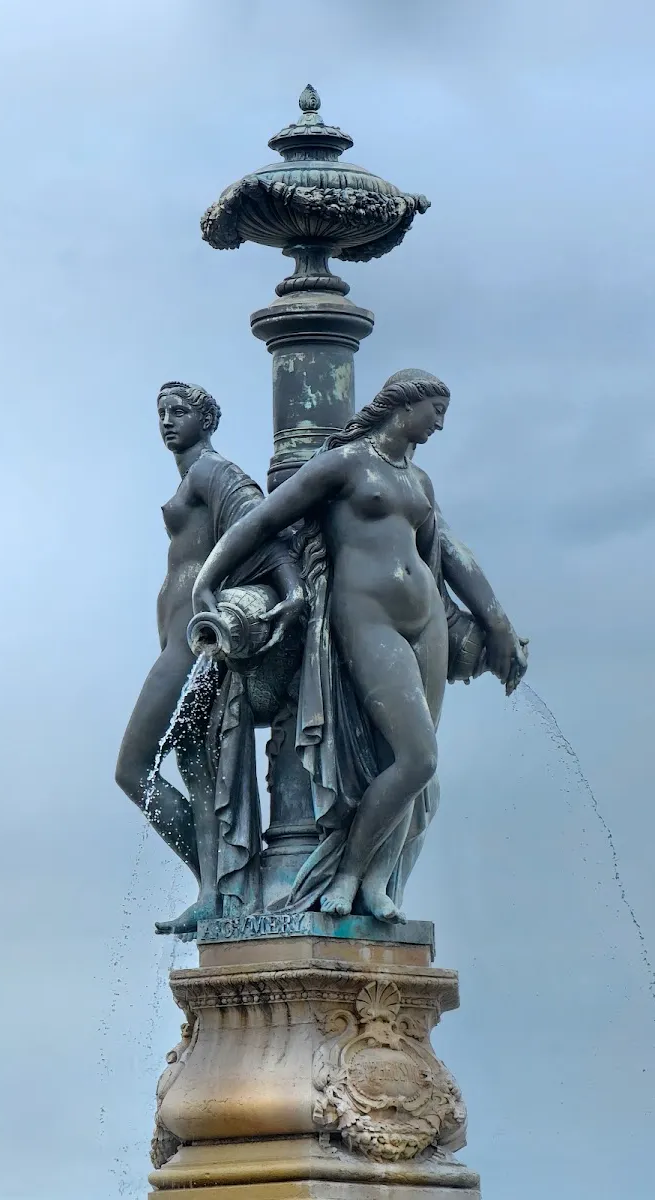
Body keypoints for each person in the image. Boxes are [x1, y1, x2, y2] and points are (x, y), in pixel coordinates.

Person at [193, 368, 528, 922]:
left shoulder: (420, 482)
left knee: (411, 766)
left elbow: (441, 559)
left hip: (426, 625)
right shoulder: (344, 465)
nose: (441, 422)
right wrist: (209, 577)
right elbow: (265, 520)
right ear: (405, 404)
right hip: (366, 618)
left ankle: (376, 882)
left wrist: (497, 624)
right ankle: (347, 872)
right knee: (416, 758)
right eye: (435, 409)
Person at [115, 381, 303, 935]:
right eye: (162, 413)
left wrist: (292, 587)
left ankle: (222, 882)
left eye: (180, 411)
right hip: (181, 641)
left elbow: (261, 526)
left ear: (207, 420)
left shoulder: (212, 472)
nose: (168, 421)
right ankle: (217, 888)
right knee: (194, 764)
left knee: (133, 769)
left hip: (192, 644)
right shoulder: (191, 477)